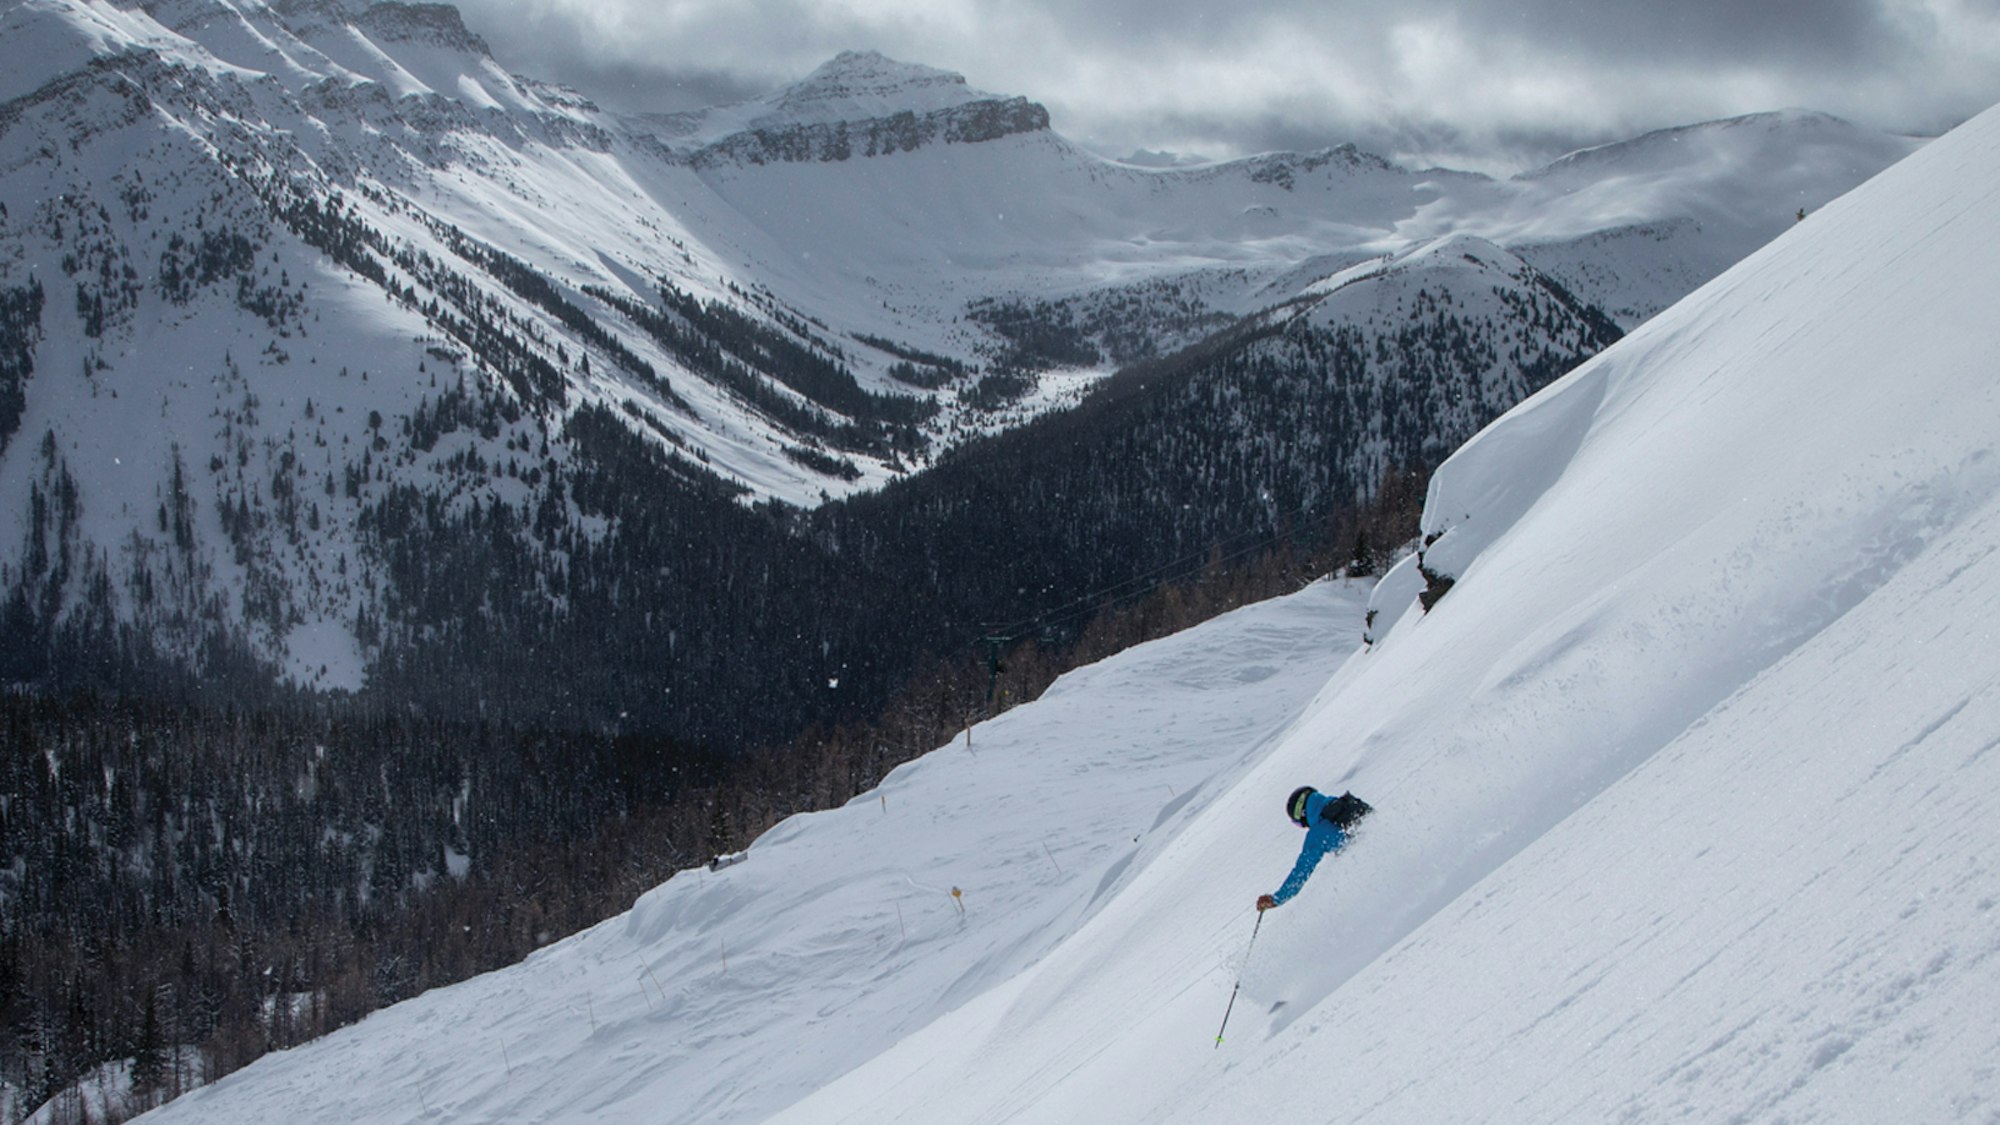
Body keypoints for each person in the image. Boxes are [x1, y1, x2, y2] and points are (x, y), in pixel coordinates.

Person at [1256, 787, 1371, 911]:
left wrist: (1276, 899)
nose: (1304, 826)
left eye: (1299, 823)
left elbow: (1301, 871)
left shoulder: (1317, 833)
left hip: (1367, 870)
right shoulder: (1344, 803)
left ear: (1303, 814)